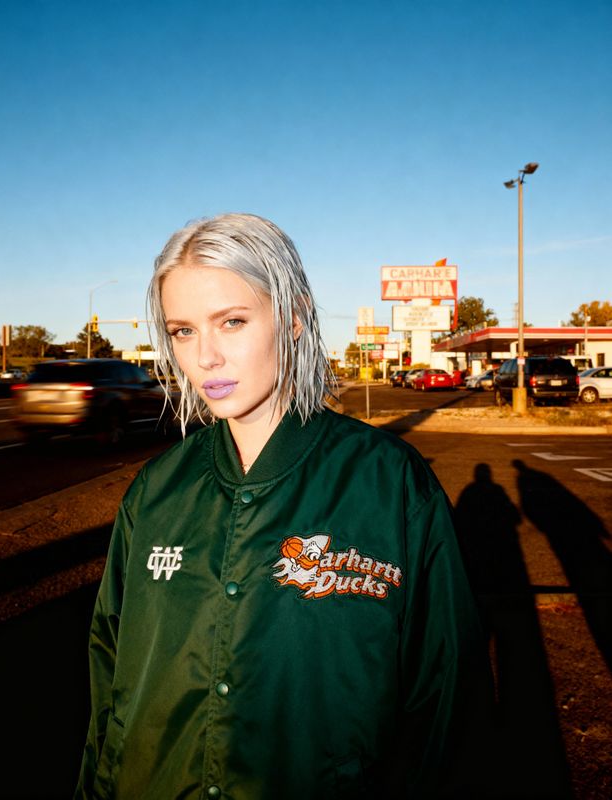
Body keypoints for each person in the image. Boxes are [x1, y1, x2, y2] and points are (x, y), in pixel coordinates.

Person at [75, 213, 492, 799]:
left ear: (293, 319)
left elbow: (447, 699)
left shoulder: (390, 484)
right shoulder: (155, 490)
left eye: (233, 322)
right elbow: (109, 686)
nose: (207, 358)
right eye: (184, 331)